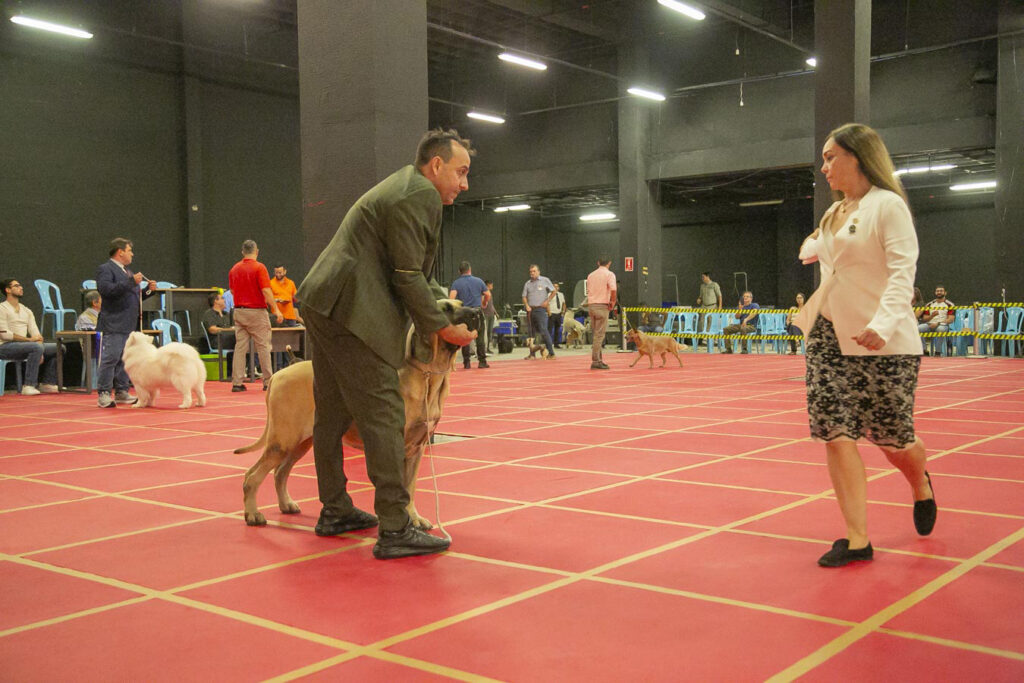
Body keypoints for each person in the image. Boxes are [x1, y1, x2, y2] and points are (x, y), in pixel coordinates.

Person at [296, 128, 476, 559]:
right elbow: (408, 276)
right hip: (351, 311)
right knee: (385, 414)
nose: (465, 184)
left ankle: (335, 509)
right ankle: (395, 527)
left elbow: (416, 275)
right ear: (436, 165)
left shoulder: (404, 187)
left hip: (324, 302)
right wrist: (443, 327)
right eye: (461, 172)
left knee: (332, 413)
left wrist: (442, 309)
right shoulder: (420, 194)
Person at [793, 122, 934, 568]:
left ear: (857, 156)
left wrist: (883, 324)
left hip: (883, 342)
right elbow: (825, 253)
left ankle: (920, 482)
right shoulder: (835, 212)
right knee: (835, 433)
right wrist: (813, 245)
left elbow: (903, 273)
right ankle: (857, 540)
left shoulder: (888, 206)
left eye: (830, 157)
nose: (824, 167)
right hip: (829, 336)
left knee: (893, 439)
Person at [95, 238, 158, 407]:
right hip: (114, 322)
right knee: (111, 358)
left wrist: (148, 291)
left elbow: (132, 297)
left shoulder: (127, 272)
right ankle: (104, 393)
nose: (132, 254)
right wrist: (131, 282)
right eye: (130, 250)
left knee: (125, 359)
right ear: (120, 252)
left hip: (129, 324)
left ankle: (121, 391)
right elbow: (106, 290)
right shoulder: (106, 269)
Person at [228, 240, 282, 392]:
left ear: (242, 252)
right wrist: (276, 309)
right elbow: (266, 290)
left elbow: (232, 291)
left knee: (240, 347)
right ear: (256, 251)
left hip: (239, 311)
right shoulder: (259, 267)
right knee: (263, 346)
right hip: (257, 311)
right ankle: (268, 381)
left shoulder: (234, 269)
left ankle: (237, 382)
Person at [0, 278, 58, 394]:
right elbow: (5, 334)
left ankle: (48, 383)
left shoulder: (27, 310)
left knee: (58, 348)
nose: (21, 288)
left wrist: (40, 348)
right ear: (8, 290)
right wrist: (30, 341)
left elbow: (36, 334)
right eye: (16, 286)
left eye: (20, 285)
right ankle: (29, 385)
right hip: (5, 346)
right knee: (35, 347)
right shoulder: (2, 308)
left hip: (24, 346)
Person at [448, 261, 490, 369]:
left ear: (459, 271)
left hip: (464, 313)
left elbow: (451, 298)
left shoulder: (456, 283)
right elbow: (487, 294)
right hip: (477, 311)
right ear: (470, 269)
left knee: (465, 337)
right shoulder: (479, 281)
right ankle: (482, 361)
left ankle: (466, 362)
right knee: (480, 337)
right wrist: (484, 302)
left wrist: (455, 310)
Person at [586, 257, 617, 369]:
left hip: (591, 306)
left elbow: (588, 290)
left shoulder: (591, 275)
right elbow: (613, 289)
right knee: (599, 335)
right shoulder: (609, 274)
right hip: (602, 306)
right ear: (609, 263)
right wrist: (613, 302)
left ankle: (599, 359)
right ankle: (596, 361)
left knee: (596, 334)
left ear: (598, 263)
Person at [521, 265, 556, 359]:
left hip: (540, 309)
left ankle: (551, 353)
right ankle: (532, 354)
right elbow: (524, 296)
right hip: (530, 310)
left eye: (534, 271)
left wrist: (547, 301)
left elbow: (553, 291)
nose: (532, 273)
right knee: (531, 333)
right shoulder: (527, 283)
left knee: (544, 330)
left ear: (538, 272)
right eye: (530, 271)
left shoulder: (545, 280)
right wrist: (527, 305)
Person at [696, 271, 722, 344]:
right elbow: (701, 296)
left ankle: (714, 338)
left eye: (703, 277)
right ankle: (705, 337)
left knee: (712, 321)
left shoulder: (714, 285)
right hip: (704, 306)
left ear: (708, 277)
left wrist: (720, 307)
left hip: (712, 306)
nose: (702, 278)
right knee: (703, 321)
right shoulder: (702, 286)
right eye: (702, 277)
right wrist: (699, 299)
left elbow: (719, 296)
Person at [548, 283, 567, 348]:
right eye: (554, 286)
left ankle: (556, 344)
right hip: (552, 313)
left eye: (557, 286)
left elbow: (563, 303)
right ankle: (548, 344)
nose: (556, 288)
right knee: (550, 329)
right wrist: (549, 313)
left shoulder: (561, 294)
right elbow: (547, 304)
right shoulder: (549, 295)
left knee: (557, 330)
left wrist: (563, 312)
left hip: (559, 314)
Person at [482, 280, 497, 351]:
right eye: (491, 285)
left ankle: (488, 348)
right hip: (486, 314)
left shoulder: (490, 293)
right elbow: (482, 303)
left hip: (491, 314)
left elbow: (491, 304)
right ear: (488, 285)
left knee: (490, 332)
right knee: (485, 332)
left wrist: (495, 312)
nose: (492, 286)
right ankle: (484, 348)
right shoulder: (483, 293)